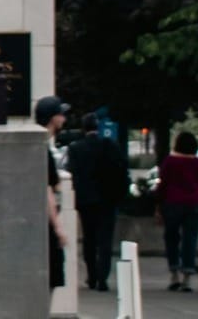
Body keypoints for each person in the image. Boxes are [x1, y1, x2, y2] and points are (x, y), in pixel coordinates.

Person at [65, 112, 128, 292]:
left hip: (86, 200)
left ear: (83, 128)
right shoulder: (110, 146)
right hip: (108, 199)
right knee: (105, 240)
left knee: (89, 238)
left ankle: (92, 275)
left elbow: (72, 173)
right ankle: (103, 277)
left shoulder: (76, 148)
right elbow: (122, 170)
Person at [157, 131, 198, 292]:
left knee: (171, 237)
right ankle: (187, 277)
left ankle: (174, 274)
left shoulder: (170, 161)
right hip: (195, 203)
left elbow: (162, 185)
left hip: (172, 203)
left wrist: (158, 207)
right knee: (190, 239)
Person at [35, 95, 70, 292]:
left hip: (40, 224)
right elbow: (47, 189)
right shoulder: (42, 149)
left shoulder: (39, 146)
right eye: (61, 114)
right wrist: (57, 227)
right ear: (52, 118)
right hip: (46, 225)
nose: (64, 119)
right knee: (51, 276)